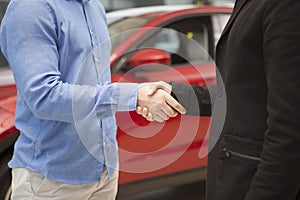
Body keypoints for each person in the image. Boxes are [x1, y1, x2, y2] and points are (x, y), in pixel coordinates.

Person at [0, 0, 185, 199]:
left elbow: (97, 85)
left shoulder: (94, 7)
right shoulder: (31, 8)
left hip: (104, 173)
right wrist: (132, 96)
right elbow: (44, 97)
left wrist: (137, 99)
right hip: (51, 180)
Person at [138, 0, 300, 199]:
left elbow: (290, 127)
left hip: (252, 179)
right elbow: (242, 95)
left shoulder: (286, 6)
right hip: (232, 174)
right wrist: (175, 93)